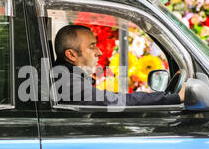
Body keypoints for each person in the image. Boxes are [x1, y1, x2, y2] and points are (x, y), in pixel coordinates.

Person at [52, 24, 185, 106]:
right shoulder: (67, 83)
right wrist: (174, 98)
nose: (99, 52)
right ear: (71, 55)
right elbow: (116, 101)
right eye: (92, 47)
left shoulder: (66, 77)